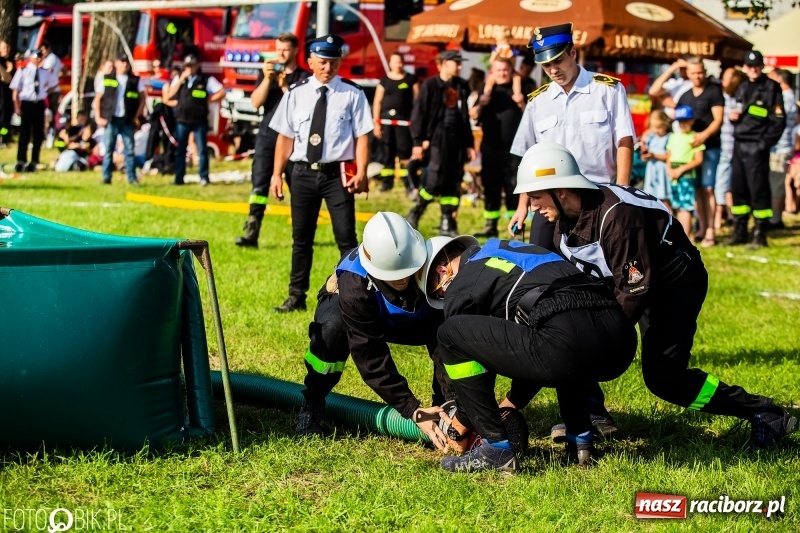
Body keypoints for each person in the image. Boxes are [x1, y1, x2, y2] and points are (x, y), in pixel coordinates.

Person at [505, 141, 796, 450]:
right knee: (578, 333)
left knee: (664, 379)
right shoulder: (561, 228)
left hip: (673, 286)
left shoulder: (618, 218)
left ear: (560, 190)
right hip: (634, 285)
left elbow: (633, 291)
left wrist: (603, 341)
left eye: (535, 196)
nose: (532, 206)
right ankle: (588, 417)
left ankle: (763, 412)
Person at [419, 233, 636, 473]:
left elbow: (473, 356)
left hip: (569, 341)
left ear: (443, 271)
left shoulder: (464, 284)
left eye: (439, 293)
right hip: (619, 338)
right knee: (560, 338)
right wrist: (512, 403)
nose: (444, 297)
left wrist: (462, 420)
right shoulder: (509, 252)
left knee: (450, 333)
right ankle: (580, 439)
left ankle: (495, 450)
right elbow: (536, 350)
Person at [297, 211, 468, 448]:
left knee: (446, 330)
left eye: (409, 271)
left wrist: (449, 405)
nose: (405, 279)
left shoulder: (418, 256)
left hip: (404, 319)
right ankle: (312, 404)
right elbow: (370, 356)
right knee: (332, 332)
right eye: (396, 277)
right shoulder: (354, 284)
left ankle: (444, 409)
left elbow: (443, 343)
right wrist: (412, 410)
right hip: (357, 314)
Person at [269, 34, 373, 313]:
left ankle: (352, 295)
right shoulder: (296, 93)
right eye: (323, 62)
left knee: (346, 239)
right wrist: (277, 174)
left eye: (334, 62)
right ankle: (295, 296)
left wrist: (362, 171)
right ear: (311, 61)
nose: (328, 67)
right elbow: (285, 137)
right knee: (301, 238)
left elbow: (363, 136)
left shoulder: (353, 93)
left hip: (336, 176)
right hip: (302, 173)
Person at [509, 23, 634, 253]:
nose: (553, 70)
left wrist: (623, 191)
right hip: (549, 198)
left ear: (573, 53)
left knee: (598, 267)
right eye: (546, 65)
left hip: (597, 196)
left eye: (557, 61)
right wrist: (522, 205)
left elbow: (624, 141)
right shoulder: (538, 101)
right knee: (540, 265)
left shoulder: (607, 90)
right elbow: (529, 156)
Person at [235, 33, 310, 248]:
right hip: (267, 136)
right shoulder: (268, 73)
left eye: (285, 50)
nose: (280, 54)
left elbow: (300, 106)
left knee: (297, 186)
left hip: (293, 139)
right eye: (278, 50)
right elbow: (256, 102)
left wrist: (285, 85)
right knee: (259, 184)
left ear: (296, 50)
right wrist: (268, 80)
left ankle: (301, 233)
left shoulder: (303, 77)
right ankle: (252, 229)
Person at [406, 50, 476, 237]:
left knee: (453, 181)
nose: (460, 67)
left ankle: (447, 222)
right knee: (434, 179)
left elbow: (465, 118)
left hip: (457, 140)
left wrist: (469, 144)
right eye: (457, 63)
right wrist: (418, 142)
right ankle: (417, 210)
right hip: (437, 137)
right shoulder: (430, 85)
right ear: (445, 63)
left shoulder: (462, 86)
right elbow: (418, 114)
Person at [728, 50, 785, 248]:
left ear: (762, 66)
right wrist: (732, 117)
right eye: (749, 66)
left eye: (757, 66)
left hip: (756, 146)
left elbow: (779, 121)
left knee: (758, 190)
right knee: (738, 189)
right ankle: (739, 231)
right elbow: (739, 111)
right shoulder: (742, 87)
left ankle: (760, 233)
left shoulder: (772, 87)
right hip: (739, 144)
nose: (753, 69)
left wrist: (763, 144)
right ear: (744, 67)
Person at [469, 57, 523, 237]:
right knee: (490, 187)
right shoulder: (486, 88)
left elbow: (532, 114)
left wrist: (521, 102)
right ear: (493, 71)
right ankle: (490, 225)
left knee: (512, 188)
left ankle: (515, 225)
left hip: (514, 149)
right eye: (498, 70)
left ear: (511, 70)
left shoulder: (522, 86)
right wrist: (482, 102)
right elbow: (474, 114)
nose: (502, 73)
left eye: (505, 70)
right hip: (490, 147)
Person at [676, 57, 724, 247]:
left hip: (710, 147)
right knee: (697, 191)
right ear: (688, 73)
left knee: (708, 189)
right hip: (691, 152)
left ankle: (711, 231)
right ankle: (702, 228)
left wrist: (703, 136)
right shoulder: (685, 95)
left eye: (701, 72)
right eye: (694, 73)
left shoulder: (714, 92)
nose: (698, 76)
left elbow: (718, 119)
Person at [166, 53, 225, 186]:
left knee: (202, 150)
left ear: (197, 66)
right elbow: (170, 94)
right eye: (187, 66)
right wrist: (181, 79)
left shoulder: (205, 79)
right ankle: (179, 178)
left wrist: (210, 100)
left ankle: (204, 177)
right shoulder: (180, 79)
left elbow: (222, 91)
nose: (190, 69)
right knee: (180, 150)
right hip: (182, 119)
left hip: (199, 120)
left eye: (192, 66)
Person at [93, 53, 146, 185]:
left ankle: (132, 177)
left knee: (129, 149)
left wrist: (136, 116)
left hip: (127, 119)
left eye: (126, 62)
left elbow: (142, 98)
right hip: (112, 119)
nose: (124, 65)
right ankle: (106, 176)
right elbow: (98, 99)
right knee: (109, 148)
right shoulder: (107, 79)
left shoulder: (135, 81)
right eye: (121, 62)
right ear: (116, 63)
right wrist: (98, 117)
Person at [372, 52, 418, 193]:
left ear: (403, 63)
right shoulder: (384, 80)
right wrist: (376, 122)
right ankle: (387, 183)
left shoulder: (411, 80)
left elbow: (417, 102)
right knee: (387, 154)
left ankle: (408, 183)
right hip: (386, 122)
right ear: (390, 63)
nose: (398, 65)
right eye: (394, 62)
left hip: (404, 124)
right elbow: (377, 102)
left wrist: (415, 121)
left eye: (400, 62)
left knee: (404, 153)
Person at [9, 49, 58, 173]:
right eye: (36, 57)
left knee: (38, 134)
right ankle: (21, 160)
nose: (38, 59)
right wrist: (17, 107)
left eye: (40, 57)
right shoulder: (23, 71)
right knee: (24, 133)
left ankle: (34, 160)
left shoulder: (44, 72)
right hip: (27, 103)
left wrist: (45, 92)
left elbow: (54, 84)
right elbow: (15, 90)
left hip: (39, 104)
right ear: (31, 57)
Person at [715, 68, 747, 229]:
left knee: (728, 185)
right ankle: (724, 217)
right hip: (725, 148)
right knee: (723, 184)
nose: (722, 81)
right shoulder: (722, 97)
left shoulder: (740, 99)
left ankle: (726, 217)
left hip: (737, 149)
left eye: (726, 78)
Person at [666, 105, 705, 237]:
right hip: (674, 176)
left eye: (685, 121)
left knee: (685, 207)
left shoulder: (695, 137)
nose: (682, 124)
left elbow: (699, 159)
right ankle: (679, 235)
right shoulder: (673, 136)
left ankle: (686, 237)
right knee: (676, 206)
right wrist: (670, 169)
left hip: (686, 176)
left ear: (692, 121)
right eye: (680, 121)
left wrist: (681, 169)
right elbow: (669, 155)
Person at [766, 68, 797, 229]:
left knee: (776, 184)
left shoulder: (785, 98)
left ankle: (775, 219)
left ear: (780, 80)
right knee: (776, 183)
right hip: (783, 146)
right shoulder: (790, 96)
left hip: (780, 147)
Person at [641, 110, 672, 212]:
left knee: (664, 199)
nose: (656, 130)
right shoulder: (651, 137)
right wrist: (645, 156)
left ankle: (670, 219)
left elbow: (668, 156)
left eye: (659, 127)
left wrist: (654, 155)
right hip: (652, 172)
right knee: (651, 199)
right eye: (654, 127)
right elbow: (643, 156)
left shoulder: (669, 138)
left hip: (662, 172)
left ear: (666, 125)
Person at [40, 41, 63, 136]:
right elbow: (63, 70)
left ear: (48, 49)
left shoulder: (50, 59)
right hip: (53, 88)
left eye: (43, 50)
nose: (42, 52)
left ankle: (49, 133)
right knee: (51, 113)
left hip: (50, 90)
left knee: (49, 113)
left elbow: (48, 72)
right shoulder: (55, 58)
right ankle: (50, 132)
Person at [0, 40, 15, 146]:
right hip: (0, 95)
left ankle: (5, 138)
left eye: (7, 47)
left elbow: (8, 79)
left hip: (8, 95)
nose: (6, 50)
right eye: (3, 47)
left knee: (7, 118)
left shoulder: (10, 62)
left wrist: (8, 72)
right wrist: (7, 71)